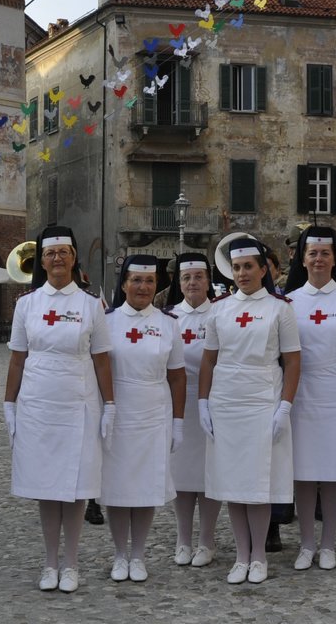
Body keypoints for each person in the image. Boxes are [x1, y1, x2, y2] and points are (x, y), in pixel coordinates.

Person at [4, 225, 113, 594]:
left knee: (77, 487)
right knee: (47, 486)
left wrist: (109, 404)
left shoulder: (90, 305)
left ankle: (71, 562)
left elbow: (102, 360)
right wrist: (9, 403)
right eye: (50, 254)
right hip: (38, 404)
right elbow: (18, 359)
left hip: (79, 403)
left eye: (63, 252)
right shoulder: (26, 305)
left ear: (74, 257)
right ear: (42, 260)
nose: (57, 259)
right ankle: (50, 561)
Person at [198, 236, 300, 585]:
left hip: (262, 398)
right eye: (237, 268)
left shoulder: (279, 308)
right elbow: (209, 359)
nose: (242, 273)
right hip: (226, 400)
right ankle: (241, 554)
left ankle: (259, 557)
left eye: (249, 267)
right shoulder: (219, 309)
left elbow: (292, 360)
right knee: (233, 482)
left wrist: (285, 405)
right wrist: (203, 402)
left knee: (258, 483)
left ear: (262, 269)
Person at [100, 255, 185, 583]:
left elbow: (177, 376)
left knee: (146, 485)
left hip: (153, 410)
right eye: (136, 280)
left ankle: (138, 554)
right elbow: (99, 367)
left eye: (149, 281)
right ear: (123, 284)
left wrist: (178, 421)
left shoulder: (168, 323)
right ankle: (120, 554)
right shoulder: (106, 322)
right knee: (119, 486)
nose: (143, 287)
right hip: (119, 409)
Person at [283, 225, 336, 572]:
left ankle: (328, 543)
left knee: (331, 471)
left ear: (335, 259)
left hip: (334, 390)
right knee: (302, 470)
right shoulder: (289, 302)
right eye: (312, 253)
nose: (318, 259)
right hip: (300, 391)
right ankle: (306, 543)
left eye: (325, 253)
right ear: (303, 258)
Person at [168, 252, 221, 567]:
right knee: (181, 475)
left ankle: (207, 539)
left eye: (198, 276)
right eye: (186, 277)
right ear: (179, 281)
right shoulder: (168, 317)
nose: (192, 283)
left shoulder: (219, 314)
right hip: (178, 400)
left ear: (208, 279)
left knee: (209, 473)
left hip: (212, 399)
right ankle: (182, 538)